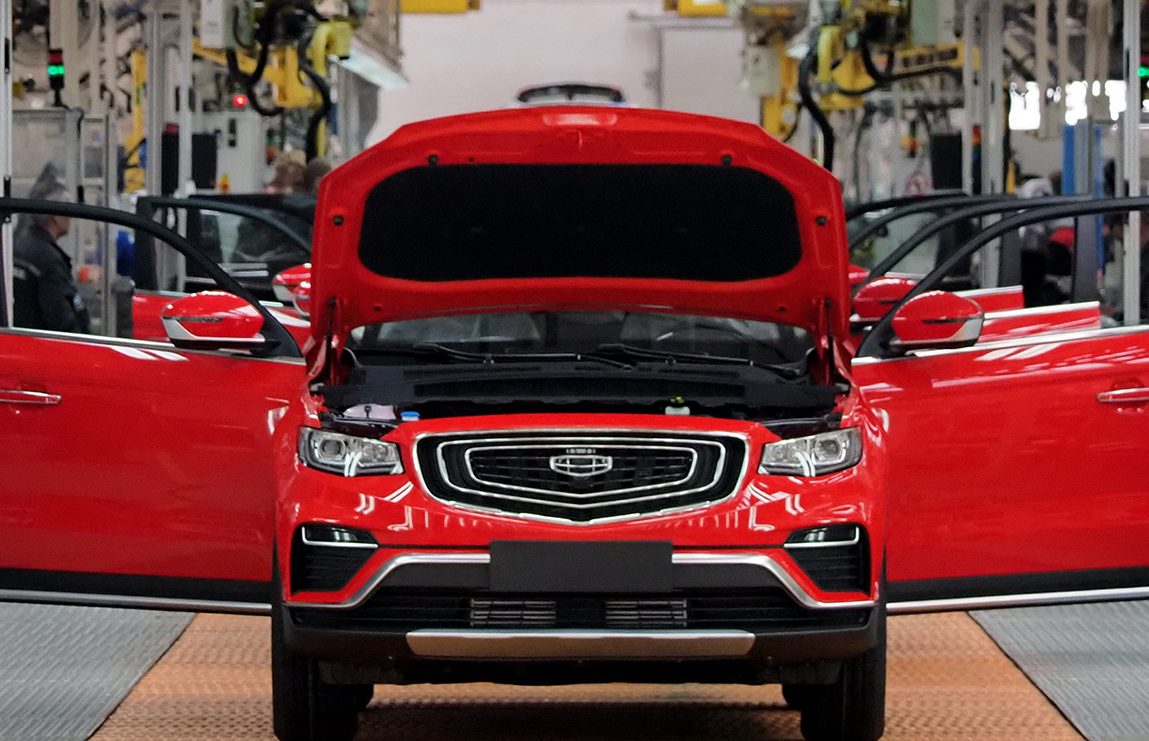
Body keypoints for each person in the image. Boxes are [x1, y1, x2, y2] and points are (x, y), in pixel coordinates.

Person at [12, 183, 90, 334]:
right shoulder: (50, 260)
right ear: (56, 216)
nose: (70, 218)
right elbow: (60, 319)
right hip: (43, 343)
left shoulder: (20, 245)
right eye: (68, 211)